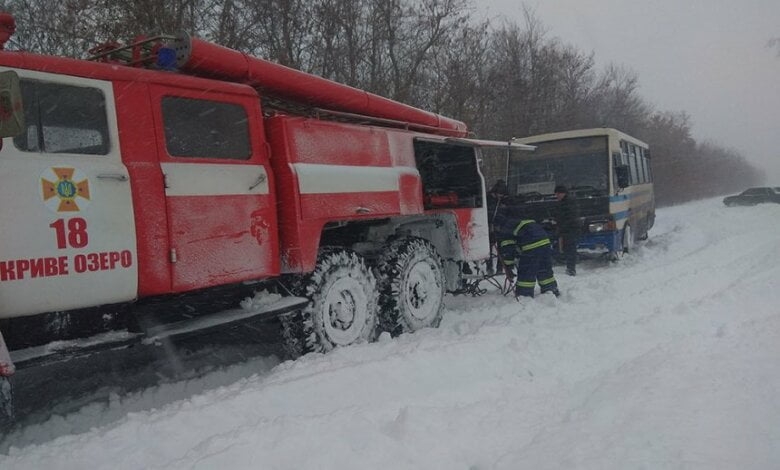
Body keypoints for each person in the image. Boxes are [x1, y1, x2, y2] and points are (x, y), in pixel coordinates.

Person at [496, 212, 560, 298]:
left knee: (526, 271)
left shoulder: (506, 229)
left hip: (531, 246)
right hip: (545, 242)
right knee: (544, 268)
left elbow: (508, 251)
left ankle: (524, 294)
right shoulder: (517, 221)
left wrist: (508, 266)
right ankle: (551, 289)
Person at [554, 185, 580, 276]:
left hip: (569, 229)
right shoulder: (565, 202)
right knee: (568, 248)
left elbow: (569, 217)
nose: (556, 196)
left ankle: (571, 268)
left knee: (570, 248)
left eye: (558, 194)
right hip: (567, 229)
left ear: (562, 193)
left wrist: (562, 226)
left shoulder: (568, 203)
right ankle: (570, 266)